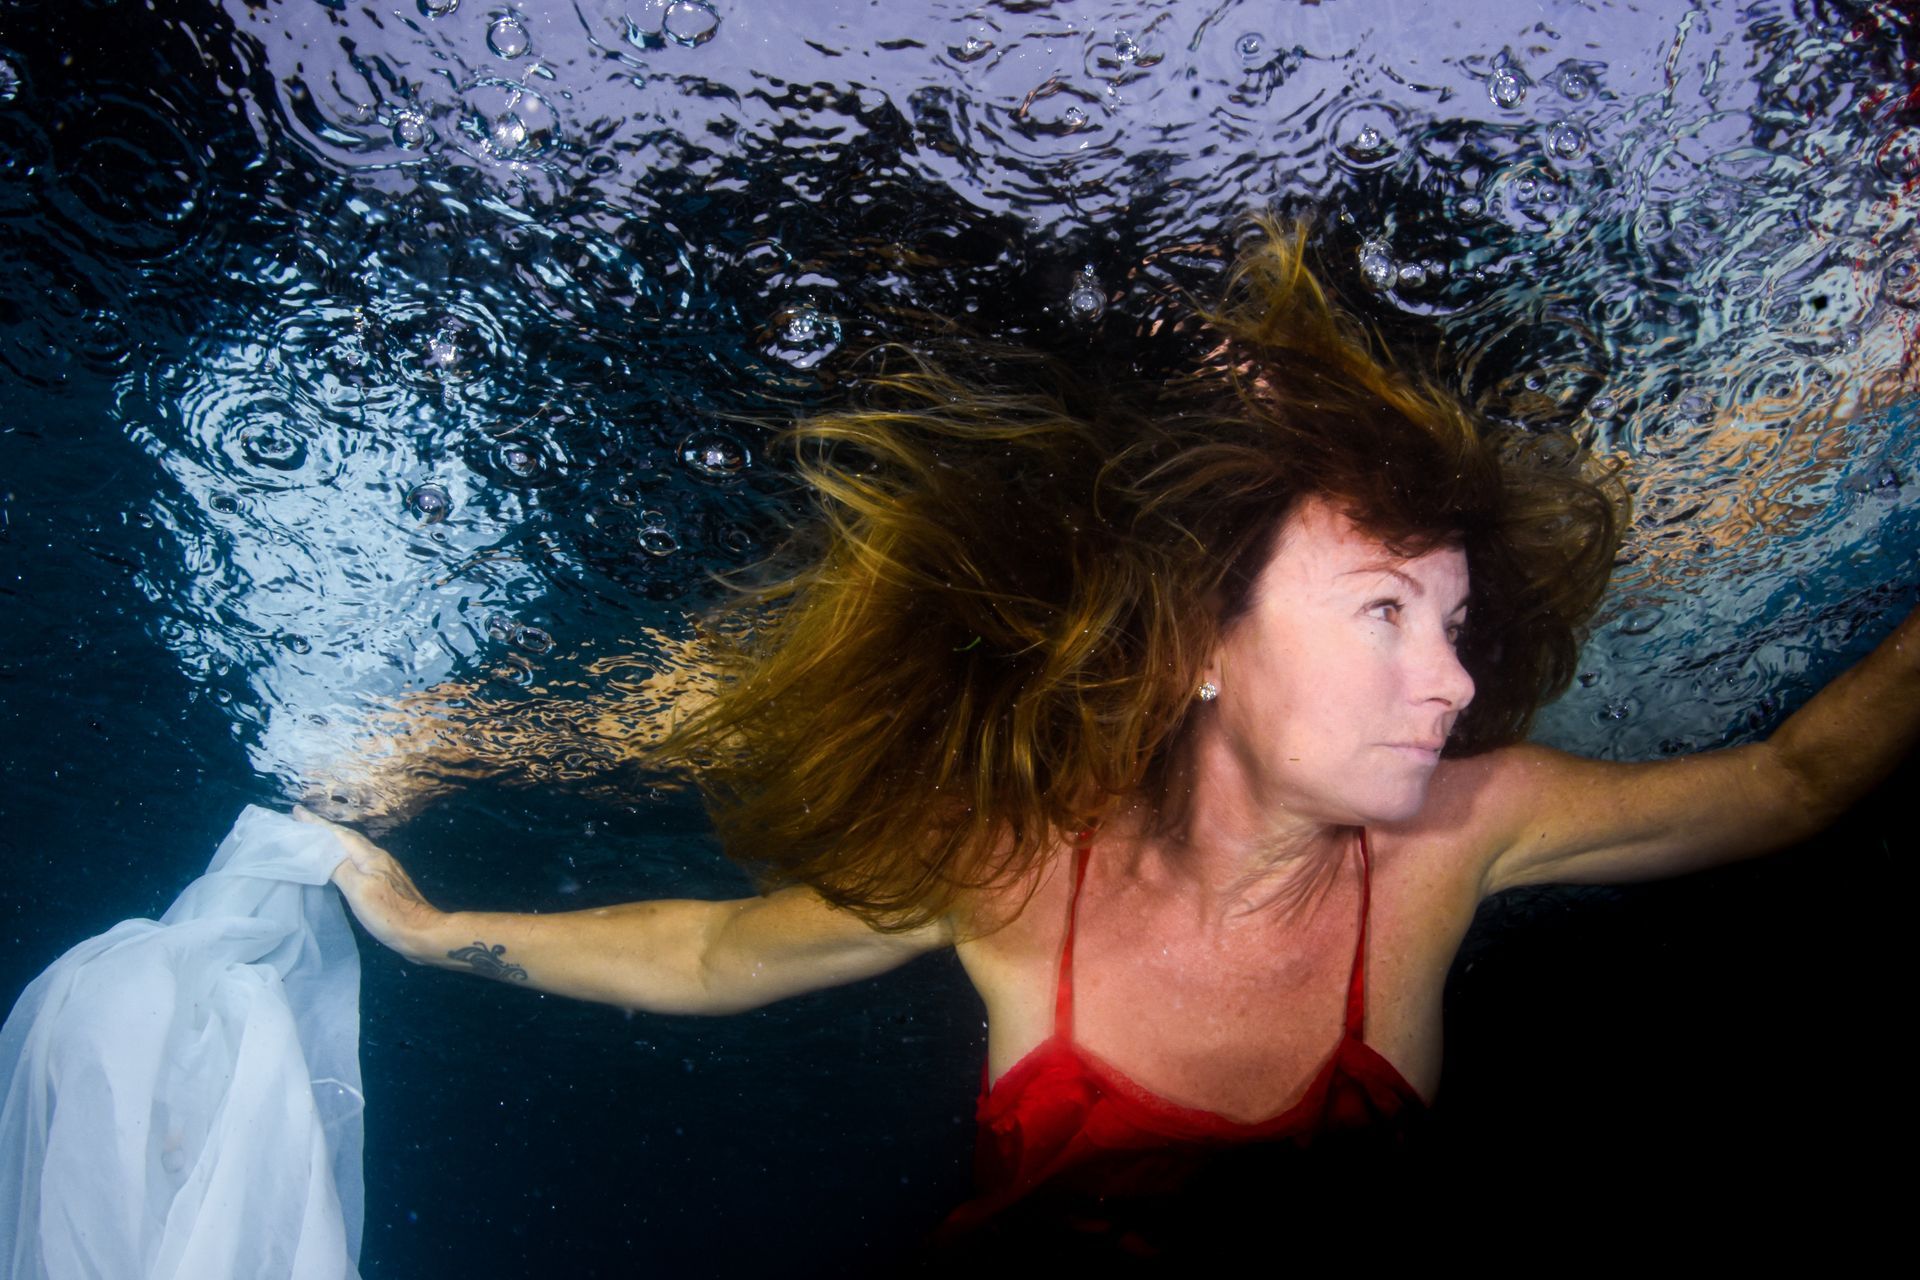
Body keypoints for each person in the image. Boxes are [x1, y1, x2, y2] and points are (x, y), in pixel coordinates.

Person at [294, 219, 1920, 1261]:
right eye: (1382, 615)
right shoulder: (1023, 869)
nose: (1448, 679)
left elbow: (1792, 782)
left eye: (1453, 624)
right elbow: (718, 954)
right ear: (1206, 648)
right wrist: (435, 935)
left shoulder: (1459, 831)